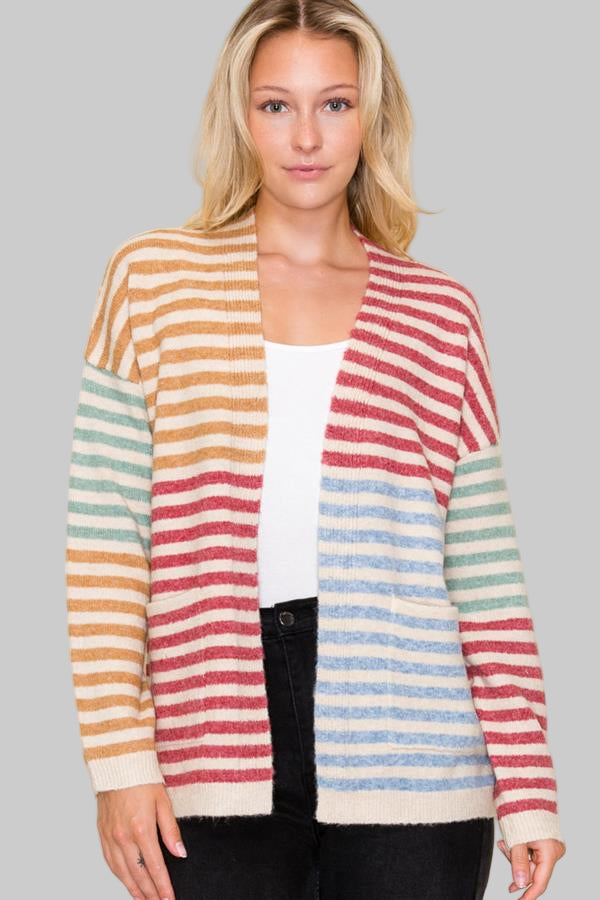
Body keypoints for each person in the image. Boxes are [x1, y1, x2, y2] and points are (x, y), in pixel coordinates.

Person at [64, 1, 566, 898]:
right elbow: (106, 537)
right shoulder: (152, 280)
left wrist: (527, 786)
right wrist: (119, 759)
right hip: (209, 731)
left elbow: (482, 566)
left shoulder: (439, 313)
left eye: (334, 104)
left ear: (372, 117)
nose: (306, 137)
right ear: (240, 116)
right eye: (276, 105)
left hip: (414, 746)